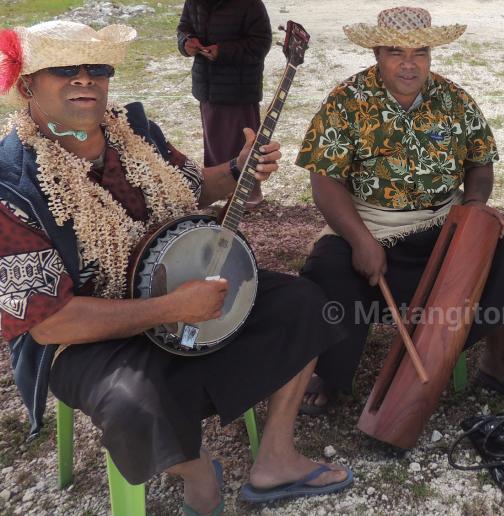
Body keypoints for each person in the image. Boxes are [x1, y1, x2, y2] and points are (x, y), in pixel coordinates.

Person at [0, 21, 352, 513]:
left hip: (179, 291)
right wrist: (169, 307)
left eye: (96, 68)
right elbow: (48, 324)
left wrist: (235, 169)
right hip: (85, 337)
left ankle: (275, 458)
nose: (84, 80)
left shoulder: (134, 130)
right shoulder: (11, 184)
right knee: (132, 398)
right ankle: (197, 472)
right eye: (63, 69)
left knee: (304, 303)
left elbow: (194, 187)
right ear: (26, 83)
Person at [295, 6, 504, 414]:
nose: (409, 64)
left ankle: (494, 362)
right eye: (396, 52)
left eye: (420, 53)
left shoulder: (454, 99)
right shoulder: (346, 101)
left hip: (443, 226)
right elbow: (324, 180)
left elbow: (480, 162)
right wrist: (360, 240)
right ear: (377, 52)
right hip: (372, 228)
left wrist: (475, 209)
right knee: (328, 267)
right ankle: (333, 372)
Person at [177, 0, 270, 206]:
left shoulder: (250, 4)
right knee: (214, 142)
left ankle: (247, 195)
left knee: (243, 142)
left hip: (239, 89)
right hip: (208, 87)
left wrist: (222, 50)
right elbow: (183, 28)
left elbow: (261, 43)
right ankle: (218, 192)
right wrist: (187, 42)